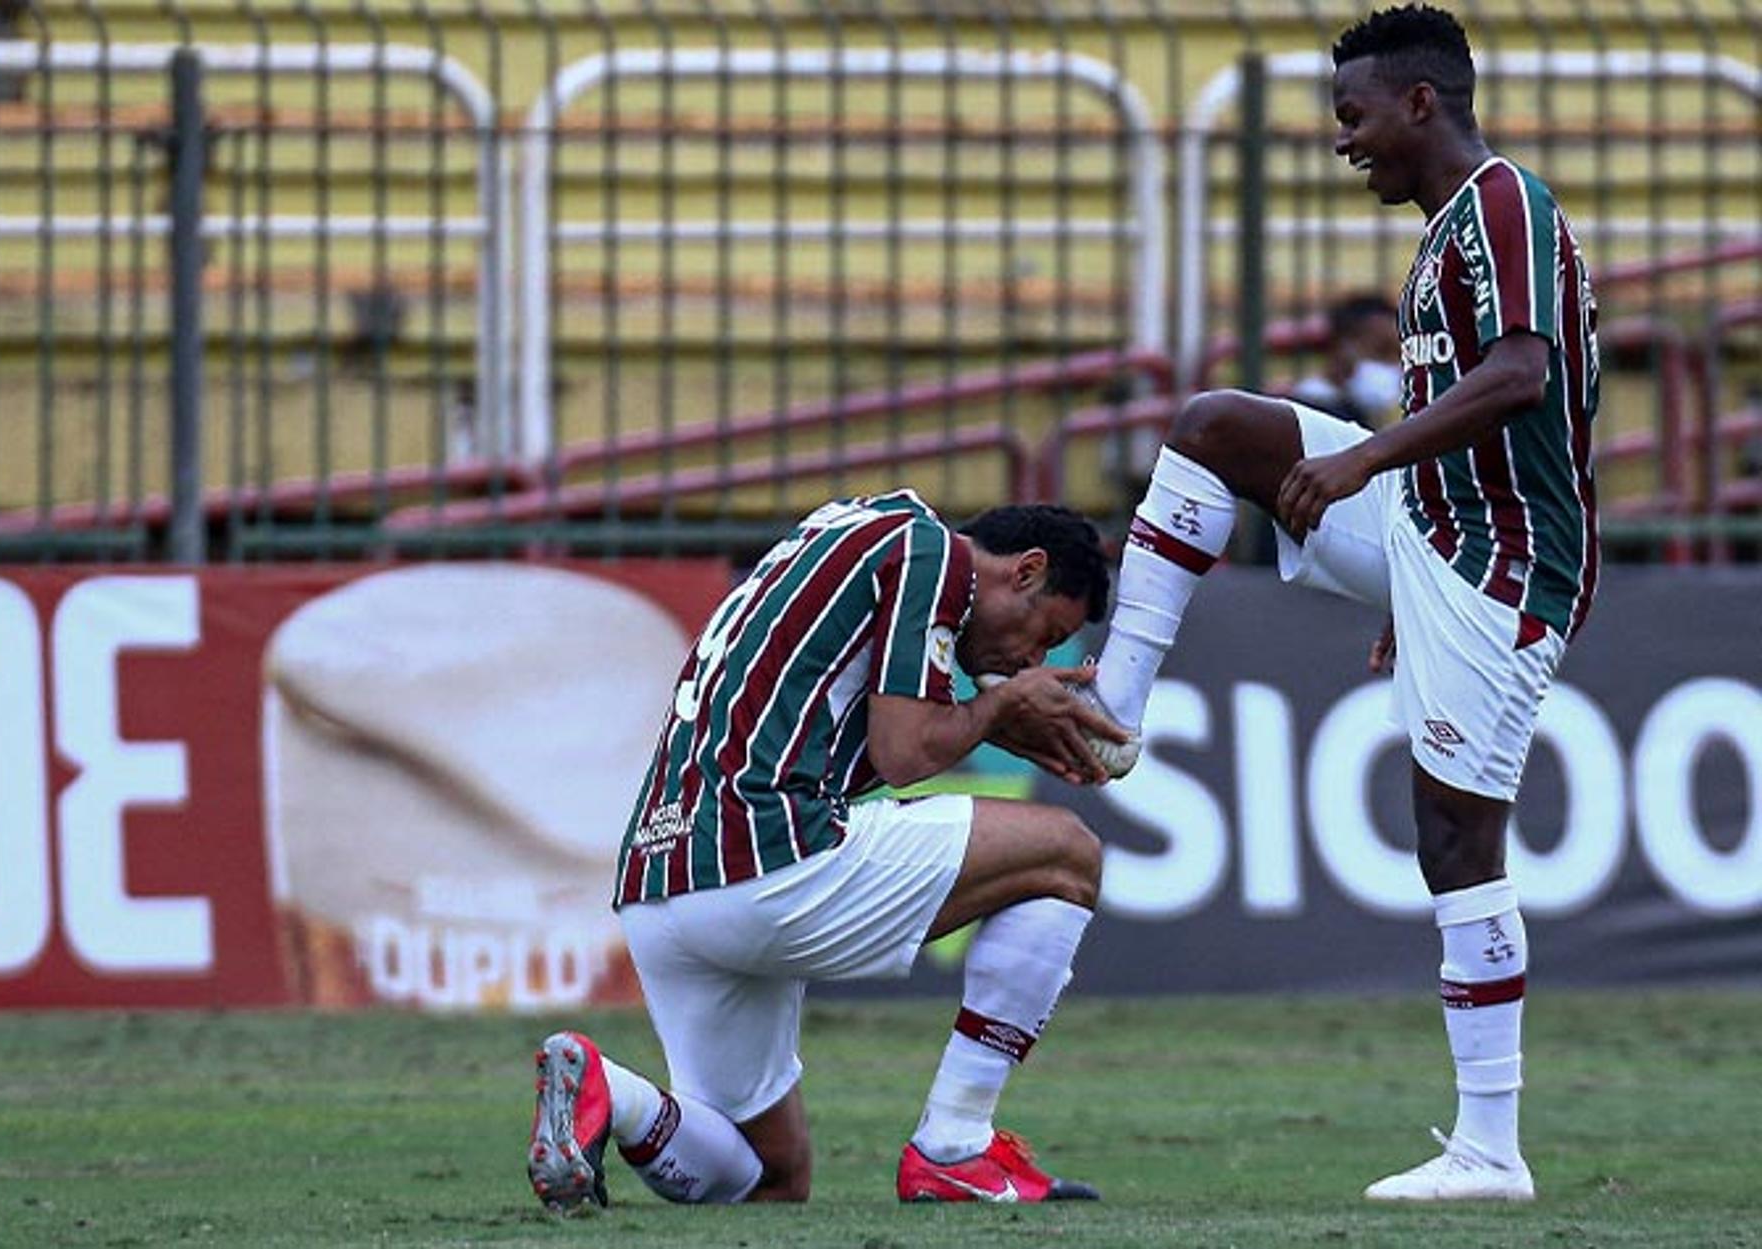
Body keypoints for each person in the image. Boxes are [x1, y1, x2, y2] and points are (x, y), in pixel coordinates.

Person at [1091, 4, 1598, 1203]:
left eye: (1353, 115)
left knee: (1455, 839)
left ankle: (1491, 1149)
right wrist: (1396, 568)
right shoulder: (1441, 239)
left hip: (1499, 568)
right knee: (1215, 430)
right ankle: (1115, 704)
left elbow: (1524, 379)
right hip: (1437, 539)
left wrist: (1367, 466)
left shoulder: (1505, 205)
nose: (1344, 140)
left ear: (1420, 103)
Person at [527, 492, 1134, 1210]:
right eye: (1042, 636)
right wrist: (1001, 704)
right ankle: (956, 1144)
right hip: (767, 855)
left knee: (771, 1176)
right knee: (1068, 853)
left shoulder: (851, 528)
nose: (1031, 659)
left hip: (662, 883)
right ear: (1026, 572)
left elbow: (839, 693)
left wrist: (998, 717)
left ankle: (607, 1089)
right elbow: (905, 752)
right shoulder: (933, 554)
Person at [1292, 292, 1405, 429]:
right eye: (1382, 351)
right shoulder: (1307, 404)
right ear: (1343, 346)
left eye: (1398, 353)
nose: (1397, 366)